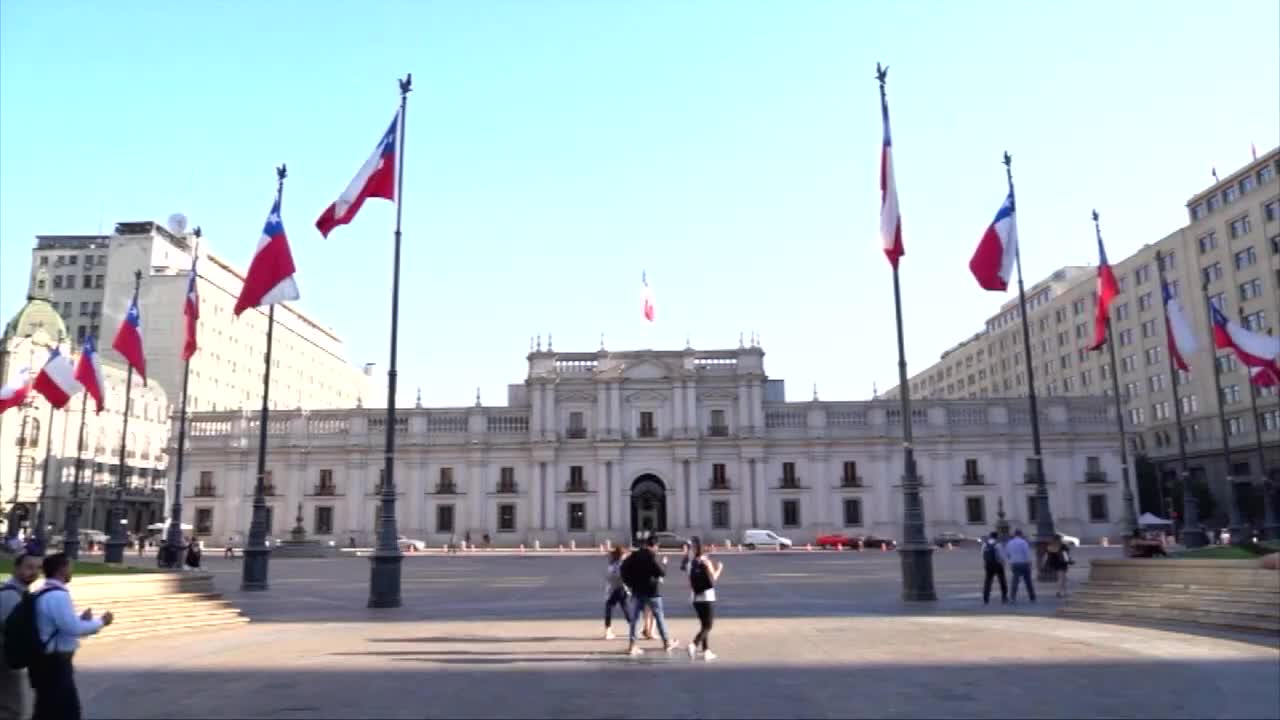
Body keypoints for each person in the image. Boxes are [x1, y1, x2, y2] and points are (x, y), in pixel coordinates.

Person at [30, 552, 113, 720]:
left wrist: (80, 619)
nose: (71, 571)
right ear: (61, 569)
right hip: (55, 663)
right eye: (69, 567)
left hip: (47, 660)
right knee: (67, 711)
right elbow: (72, 628)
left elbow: (61, 624)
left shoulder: (43, 592)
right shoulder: (58, 595)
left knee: (46, 709)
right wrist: (101, 622)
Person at [0, 553, 42, 720]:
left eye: (38, 568)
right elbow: (13, 630)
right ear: (16, 568)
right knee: (11, 708)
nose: (34, 572)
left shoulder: (21, 593)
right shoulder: (11, 595)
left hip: (7, 656)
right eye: (29, 567)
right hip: (4, 657)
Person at [620, 535, 677, 656]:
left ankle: (632, 645)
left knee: (635, 619)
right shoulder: (651, 557)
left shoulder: (635, 555)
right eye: (657, 547)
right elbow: (661, 573)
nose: (657, 549)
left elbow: (623, 568)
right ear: (655, 546)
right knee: (659, 616)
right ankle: (667, 642)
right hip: (652, 592)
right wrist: (664, 564)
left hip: (637, 591)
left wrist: (629, 583)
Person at [685, 537, 723, 661]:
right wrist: (719, 569)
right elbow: (713, 579)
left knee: (703, 625)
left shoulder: (690, 564)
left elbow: (690, 583)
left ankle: (706, 650)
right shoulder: (706, 562)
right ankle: (693, 644)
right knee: (708, 626)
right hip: (708, 597)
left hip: (695, 598)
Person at [602, 547, 632, 639]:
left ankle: (608, 630)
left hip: (611, 589)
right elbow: (622, 577)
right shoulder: (621, 564)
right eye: (624, 554)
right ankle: (632, 627)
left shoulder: (612, 563)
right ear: (621, 555)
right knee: (625, 608)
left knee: (610, 608)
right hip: (620, 588)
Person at [1005, 529, 1036, 604]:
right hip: (1024, 563)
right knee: (1028, 581)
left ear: (1014, 534)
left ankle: (1012, 597)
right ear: (1021, 534)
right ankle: (1032, 597)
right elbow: (1027, 553)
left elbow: (1007, 554)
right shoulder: (1023, 542)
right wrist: (1030, 563)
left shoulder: (1009, 543)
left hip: (1014, 563)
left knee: (1015, 581)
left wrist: (1011, 561)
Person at [980, 532, 1007, 605]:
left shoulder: (985, 544)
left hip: (988, 565)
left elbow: (982, 555)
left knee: (988, 581)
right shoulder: (998, 544)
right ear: (996, 537)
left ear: (990, 536)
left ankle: (986, 597)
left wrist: (985, 563)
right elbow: (1002, 556)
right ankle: (1004, 596)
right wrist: (1003, 563)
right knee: (1002, 581)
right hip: (997, 565)